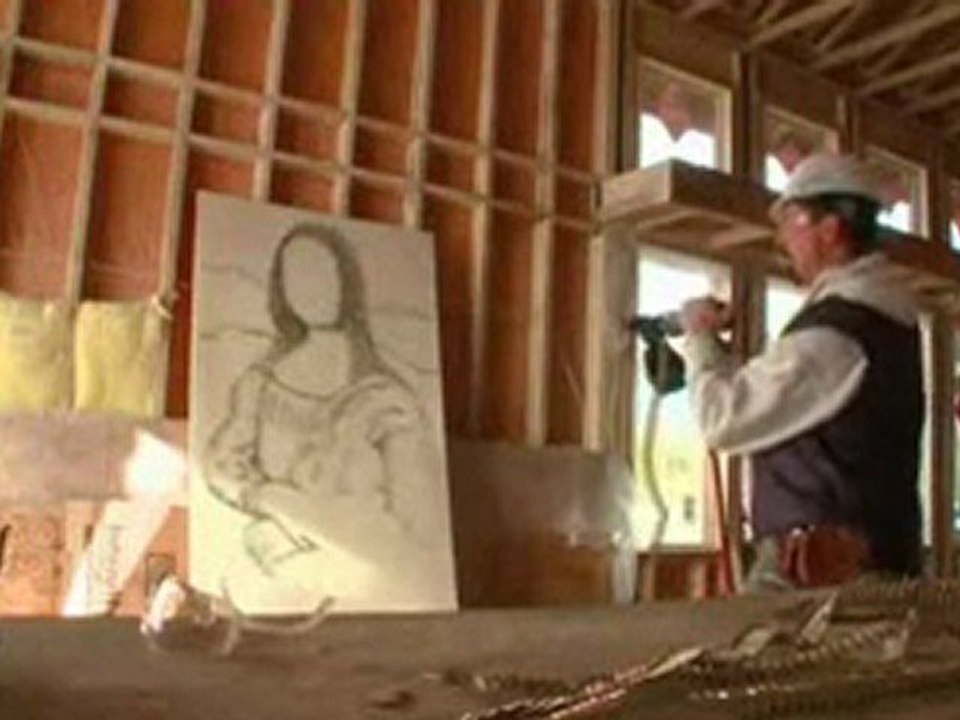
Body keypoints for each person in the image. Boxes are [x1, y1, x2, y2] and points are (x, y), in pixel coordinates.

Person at [678, 153, 924, 591]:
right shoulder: (883, 319)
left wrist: (699, 339)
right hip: (863, 562)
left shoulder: (836, 332)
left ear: (830, 229)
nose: (782, 240)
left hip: (814, 572)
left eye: (791, 222)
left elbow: (722, 419)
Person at [203, 223, 427, 581]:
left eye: (321, 273)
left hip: (365, 567)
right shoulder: (260, 385)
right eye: (296, 276)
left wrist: (296, 511)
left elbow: (411, 516)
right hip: (275, 562)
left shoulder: (386, 399)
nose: (310, 288)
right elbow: (222, 466)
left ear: (345, 282)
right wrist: (264, 498)